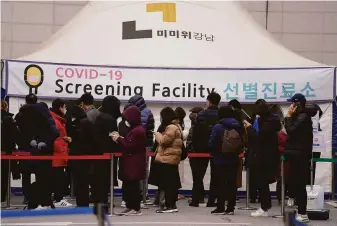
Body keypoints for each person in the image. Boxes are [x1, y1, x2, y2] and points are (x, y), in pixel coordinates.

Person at [245, 99, 281, 217]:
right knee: (262, 182)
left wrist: (250, 128)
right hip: (266, 155)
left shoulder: (268, 123)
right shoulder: (269, 121)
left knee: (262, 182)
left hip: (264, 156)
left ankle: (265, 207)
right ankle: (266, 206)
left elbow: (258, 137)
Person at [111, 106, 147, 216]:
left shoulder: (138, 131)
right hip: (130, 163)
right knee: (128, 185)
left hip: (134, 163)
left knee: (133, 186)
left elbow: (130, 145)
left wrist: (119, 139)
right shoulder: (135, 129)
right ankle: (130, 206)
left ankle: (135, 208)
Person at [284, 93, 313, 223]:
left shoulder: (303, 117)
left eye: (292, 103)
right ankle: (299, 209)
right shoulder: (299, 116)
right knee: (295, 182)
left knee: (300, 184)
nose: (290, 106)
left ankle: (303, 212)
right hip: (295, 154)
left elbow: (291, 131)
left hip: (300, 155)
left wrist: (288, 117)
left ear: (297, 104)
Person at [209, 106, 243, 215]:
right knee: (232, 184)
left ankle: (220, 207)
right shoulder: (238, 125)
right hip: (234, 158)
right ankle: (230, 208)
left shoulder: (218, 127)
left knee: (220, 184)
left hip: (220, 159)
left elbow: (212, 143)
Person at [190, 92, 221, 207]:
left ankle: (195, 200)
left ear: (208, 101)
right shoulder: (220, 114)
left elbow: (196, 132)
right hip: (217, 149)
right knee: (215, 176)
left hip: (201, 149)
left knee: (198, 176)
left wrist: (196, 147)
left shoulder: (202, 114)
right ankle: (212, 201)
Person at [71, 93, 99, 207]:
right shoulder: (98, 113)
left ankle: (84, 200)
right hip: (95, 150)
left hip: (85, 151)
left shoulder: (86, 117)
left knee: (83, 178)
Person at [153, 107, 183, 213]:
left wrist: (157, 135)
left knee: (167, 184)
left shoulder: (171, 127)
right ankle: (171, 204)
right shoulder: (177, 126)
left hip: (167, 158)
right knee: (171, 183)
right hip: (172, 158)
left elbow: (164, 142)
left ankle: (169, 205)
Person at [94, 95, 121, 205]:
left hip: (99, 152)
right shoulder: (110, 119)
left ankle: (100, 199)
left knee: (100, 177)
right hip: (108, 153)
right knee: (106, 178)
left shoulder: (100, 116)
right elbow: (113, 137)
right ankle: (103, 200)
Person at [128, 95, 155, 203]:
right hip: (147, 144)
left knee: (140, 169)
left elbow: (140, 129)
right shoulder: (148, 112)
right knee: (143, 169)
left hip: (141, 145)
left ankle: (142, 193)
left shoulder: (140, 113)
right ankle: (144, 193)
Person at [15, 94, 38, 204]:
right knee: (40, 172)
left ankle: (27, 196)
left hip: (23, 147)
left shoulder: (20, 115)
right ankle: (39, 195)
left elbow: (16, 131)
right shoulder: (40, 113)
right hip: (38, 147)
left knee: (25, 174)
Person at [50, 98, 73, 207]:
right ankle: (58, 199)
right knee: (58, 177)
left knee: (58, 176)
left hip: (59, 153)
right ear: (60, 107)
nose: (65, 110)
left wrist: (65, 139)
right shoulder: (55, 120)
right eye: (64, 107)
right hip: (58, 154)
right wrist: (63, 144)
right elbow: (54, 138)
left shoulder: (58, 119)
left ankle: (57, 198)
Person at [1, 100, 20, 205]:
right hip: (6, 151)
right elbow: (16, 135)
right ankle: (2, 198)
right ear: (6, 107)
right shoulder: (8, 119)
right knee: (4, 175)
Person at [186, 107, 204, 204]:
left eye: (193, 112)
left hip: (194, 153)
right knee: (198, 176)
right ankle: (199, 196)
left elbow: (190, 140)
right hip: (201, 152)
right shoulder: (202, 123)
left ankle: (196, 198)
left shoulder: (195, 125)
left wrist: (188, 150)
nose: (191, 115)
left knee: (196, 177)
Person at [118, 103, 133, 208]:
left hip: (131, 153)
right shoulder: (122, 123)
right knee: (125, 176)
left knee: (132, 177)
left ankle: (131, 198)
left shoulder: (136, 124)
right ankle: (125, 198)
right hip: (124, 153)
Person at [276, 122, 291, 205]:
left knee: (290, 179)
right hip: (282, 158)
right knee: (281, 179)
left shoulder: (292, 133)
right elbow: (277, 146)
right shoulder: (280, 134)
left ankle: (290, 197)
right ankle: (280, 197)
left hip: (290, 158)